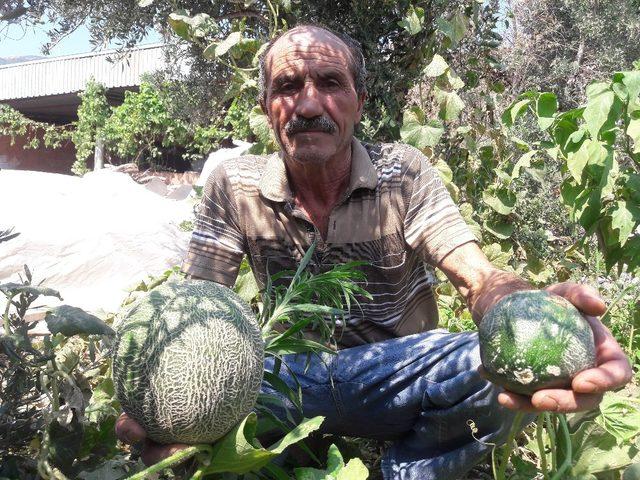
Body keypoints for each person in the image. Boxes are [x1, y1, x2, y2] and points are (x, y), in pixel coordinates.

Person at [116, 25, 632, 479]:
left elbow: (476, 277)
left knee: (487, 362)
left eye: (331, 84)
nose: (309, 106)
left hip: (399, 379)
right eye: (288, 87)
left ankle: (408, 473)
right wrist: (167, 400)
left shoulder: (402, 173)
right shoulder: (233, 184)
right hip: (291, 382)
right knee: (202, 399)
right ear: (266, 108)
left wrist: (526, 309)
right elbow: (199, 302)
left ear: (360, 102)